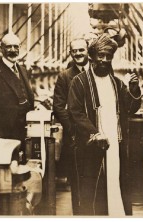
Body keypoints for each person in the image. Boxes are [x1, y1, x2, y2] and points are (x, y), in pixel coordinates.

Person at [67, 33, 141, 216]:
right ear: (92, 57)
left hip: (115, 144)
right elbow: (75, 112)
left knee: (116, 183)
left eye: (108, 57)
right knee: (92, 191)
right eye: (101, 56)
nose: (105, 60)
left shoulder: (117, 83)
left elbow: (130, 108)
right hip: (91, 145)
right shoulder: (79, 82)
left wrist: (134, 89)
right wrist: (95, 133)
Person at [0, 33, 34, 157]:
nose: (13, 50)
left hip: (24, 128)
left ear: (20, 47)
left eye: (16, 47)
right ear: (1, 49)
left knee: (23, 162)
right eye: (9, 47)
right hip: (5, 131)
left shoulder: (23, 70)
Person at [53, 38, 90, 215]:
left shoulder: (98, 72)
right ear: (70, 53)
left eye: (81, 50)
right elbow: (58, 106)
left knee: (96, 178)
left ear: (88, 51)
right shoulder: (64, 76)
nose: (78, 54)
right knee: (76, 179)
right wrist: (71, 128)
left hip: (96, 134)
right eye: (74, 51)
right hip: (75, 136)